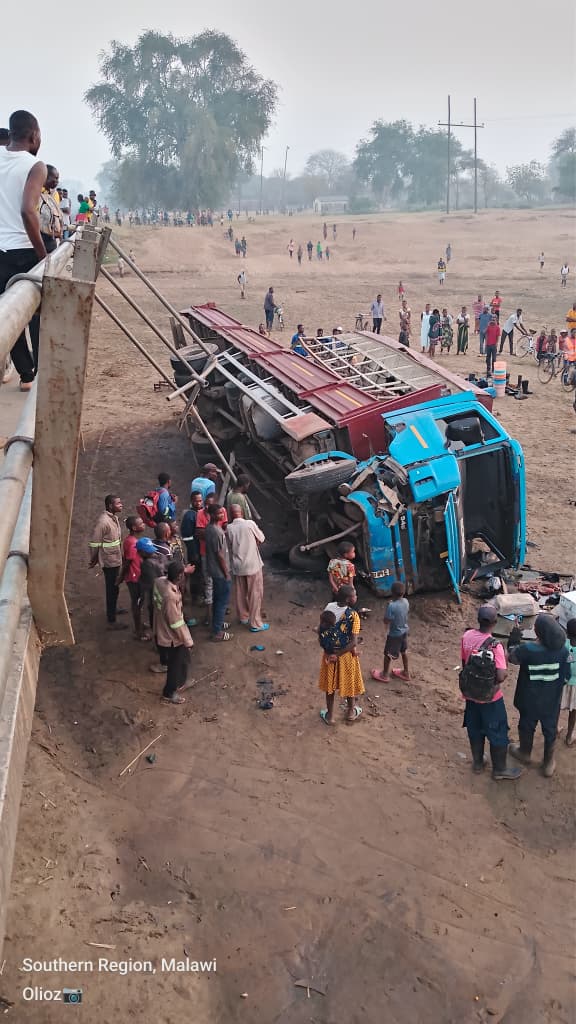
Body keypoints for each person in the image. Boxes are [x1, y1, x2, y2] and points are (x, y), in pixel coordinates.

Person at [0, 110, 47, 392]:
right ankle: (40, 373)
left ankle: (26, 374)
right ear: (33, 135)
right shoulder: (35, 165)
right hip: (24, 250)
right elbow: (28, 211)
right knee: (37, 312)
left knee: (8, 314)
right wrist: (44, 257)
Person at [459, 605, 521, 780]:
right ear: (495, 623)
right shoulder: (496, 646)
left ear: (478, 620)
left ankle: (478, 763)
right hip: (491, 698)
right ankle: (499, 770)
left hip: (470, 694)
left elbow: (465, 662)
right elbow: (500, 677)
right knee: (498, 732)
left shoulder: (466, 636)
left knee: (474, 728)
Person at [508, 614, 571, 777]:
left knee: (526, 726)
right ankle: (548, 763)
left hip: (529, 700)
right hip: (551, 702)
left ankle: (524, 752)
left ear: (538, 633)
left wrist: (514, 638)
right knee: (550, 730)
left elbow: (512, 657)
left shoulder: (528, 650)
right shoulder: (563, 651)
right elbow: (567, 676)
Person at [318, 585, 365, 725]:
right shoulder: (353, 615)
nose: (356, 597)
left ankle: (330, 716)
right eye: (354, 595)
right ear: (348, 599)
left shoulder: (328, 607)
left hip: (329, 655)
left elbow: (322, 629)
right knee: (349, 683)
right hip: (345, 655)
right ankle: (351, 712)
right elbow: (353, 642)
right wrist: (339, 654)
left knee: (330, 686)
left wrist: (332, 653)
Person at [153, 562, 194, 705]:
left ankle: (181, 682)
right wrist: (188, 641)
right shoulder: (170, 597)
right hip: (171, 636)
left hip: (160, 626)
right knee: (174, 665)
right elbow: (176, 623)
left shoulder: (159, 582)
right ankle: (169, 693)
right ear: (179, 576)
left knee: (183, 659)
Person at [227, 503, 267, 631]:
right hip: (252, 564)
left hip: (238, 566)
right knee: (255, 593)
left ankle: (243, 617)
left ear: (231, 514)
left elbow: (229, 546)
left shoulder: (229, 528)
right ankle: (255, 623)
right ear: (242, 512)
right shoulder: (249, 524)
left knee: (240, 592)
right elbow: (261, 538)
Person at [89, 495, 126, 629]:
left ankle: (114, 609)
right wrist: (94, 559)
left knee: (115, 587)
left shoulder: (113, 518)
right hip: (109, 561)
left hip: (115, 559)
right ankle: (112, 620)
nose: (121, 505)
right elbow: (95, 542)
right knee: (112, 589)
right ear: (110, 506)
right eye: (118, 503)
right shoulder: (103, 522)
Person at [371, 580, 410, 683]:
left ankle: (384, 675)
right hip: (404, 631)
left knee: (388, 654)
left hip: (394, 634)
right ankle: (406, 672)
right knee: (404, 651)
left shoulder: (391, 606)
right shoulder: (406, 601)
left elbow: (386, 620)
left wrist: (389, 607)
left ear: (392, 593)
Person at [205, 504, 233, 641]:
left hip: (214, 570)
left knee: (217, 599)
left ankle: (217, 623)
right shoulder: (216, 532)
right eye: (218, 513)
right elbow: (220, 555)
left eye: (222, 513)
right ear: (212, 514)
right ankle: (217, 632)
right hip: (220, 572)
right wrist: (226, 573)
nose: (221, 515)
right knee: (222, 601)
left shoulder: (209, 529)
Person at [119, 515, 148, 639]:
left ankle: (139, 624)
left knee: (139, 601)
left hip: (136, 575)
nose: (144, 524)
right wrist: (121, 576)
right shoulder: (132, 543)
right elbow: (127, 562)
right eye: (141, 523)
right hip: (134, 577)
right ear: (134, 528)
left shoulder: (131, 540)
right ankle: (138, 631)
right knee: (136, 603)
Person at [137, 537, 164, 642]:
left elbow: (152, 583)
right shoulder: (159, 556)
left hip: (156, 595)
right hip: (165, 592)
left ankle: (158, 642)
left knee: (156, 618)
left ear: (143, 552)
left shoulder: (147, 564)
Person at [559, 619, 576, 747]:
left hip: (562, 683)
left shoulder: (563, 644)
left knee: (556, 709)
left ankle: (554, 730)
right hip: (575, 686)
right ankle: (569, 736)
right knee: (574, 712)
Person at [39, 165, 62, 253]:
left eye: (58, 179)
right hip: (38, 237)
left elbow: (57, 214)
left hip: (51, 237)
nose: (57, 181)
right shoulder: (36, 191)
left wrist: (60, 236)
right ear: (44, 177)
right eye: (55, 178)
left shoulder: (55, 194)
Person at [181, 491, 204, 567]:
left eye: (200, 501)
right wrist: (194, 553)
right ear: (191, 501)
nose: (198, 503)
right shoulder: (189, 516)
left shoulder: (202, 512)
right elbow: (187, 537)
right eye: (196, 501)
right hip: (195, 551)